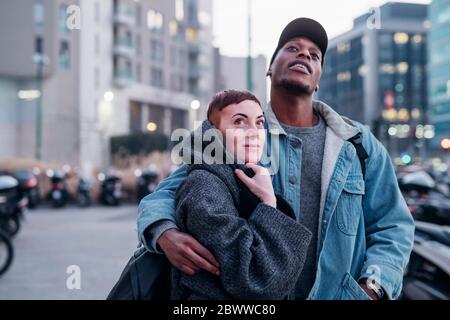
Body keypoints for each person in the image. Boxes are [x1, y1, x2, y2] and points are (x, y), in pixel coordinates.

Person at [137, 17, 415, 300]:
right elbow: (169, 192)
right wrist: (163, 232)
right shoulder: (237, 136)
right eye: (292, 48)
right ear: (270, 68)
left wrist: (373, 289)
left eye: (314, 55)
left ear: (318, 78)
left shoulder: (358, 143)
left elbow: (393, 224)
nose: (304, 54)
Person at [170, 90, 312, 300]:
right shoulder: (204, 186)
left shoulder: (239, 179)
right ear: (214, 134)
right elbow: (254, 279)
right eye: (239, 122)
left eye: (259, 122)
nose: (254, 132)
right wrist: (269, 203)